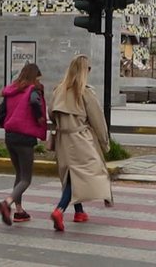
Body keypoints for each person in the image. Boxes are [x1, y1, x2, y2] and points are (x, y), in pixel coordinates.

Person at [49, 54, 112, 232]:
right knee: (91, 171)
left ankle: (79, 211)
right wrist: (104, 142)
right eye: (89, 69)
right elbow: (98, 120)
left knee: (71, 173)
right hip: (81, 139)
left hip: (63, 139)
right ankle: (59, 210)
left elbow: (51, 115)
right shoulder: (85, 92)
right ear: (85, 71)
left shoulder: (58, 90)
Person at [0, 63, 47, 226]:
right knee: (26, 179)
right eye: (38, 77)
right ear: (34, 76)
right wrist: (39, 117)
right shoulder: (32, 90)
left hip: (10, 137)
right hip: (25, 138)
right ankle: (7, 203)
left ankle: (19, 211)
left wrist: (9, 124)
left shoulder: (11, 91)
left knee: (19, 175)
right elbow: (33, 102)